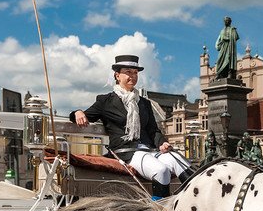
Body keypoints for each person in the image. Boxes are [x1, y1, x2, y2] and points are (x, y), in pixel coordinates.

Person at [69, 54, 191, 198]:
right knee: (161, 170)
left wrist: (162, 142)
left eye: (135, 73)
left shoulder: (144, 103)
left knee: (180, 163)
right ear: (117, 75)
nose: (132, 76)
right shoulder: (105, 101)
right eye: (128, 72)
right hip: (127, 152)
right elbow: (86, 115)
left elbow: (153, 130)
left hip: (150, 149)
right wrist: (77, 112)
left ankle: (195, 201)